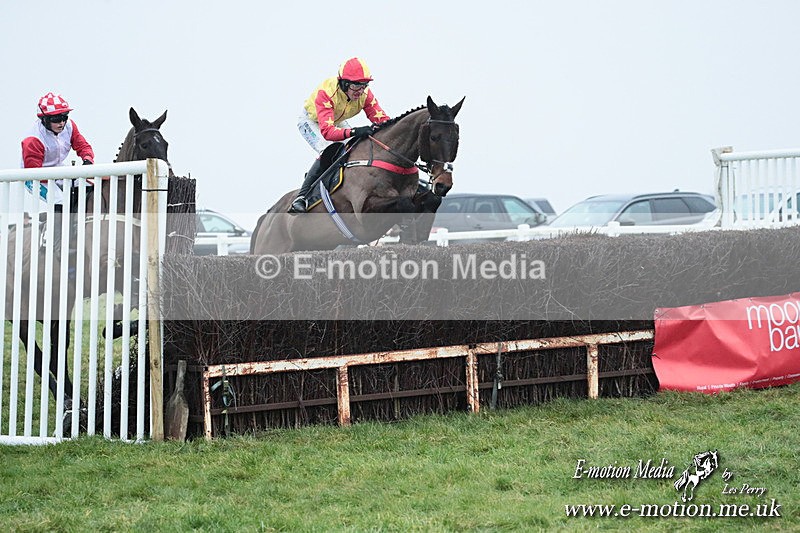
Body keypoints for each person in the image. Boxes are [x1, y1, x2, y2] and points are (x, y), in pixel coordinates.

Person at [289, 57, 391, 213]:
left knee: (355, 146)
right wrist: (355, 131)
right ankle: (301, 197)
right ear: (344, 84)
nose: (360, 91)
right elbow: (328, 132)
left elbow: (381, 119)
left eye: (364, 86)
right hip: (312, 121)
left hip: (337, 120)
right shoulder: (327, 93)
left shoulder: (364, 94)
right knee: (329, 149)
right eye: (356, 86)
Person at [21, 92, 95, 249]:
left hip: (58, 169)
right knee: (60, 200)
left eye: (64, 116)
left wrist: (87, 159)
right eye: (56, 119)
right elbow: (35, 172)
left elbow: (83, 146)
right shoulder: (33, 140)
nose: (61, 122)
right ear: (45, 119)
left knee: (89, 187)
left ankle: (77, 228)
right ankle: (55, 242)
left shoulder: (70, 126)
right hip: (35, 176)